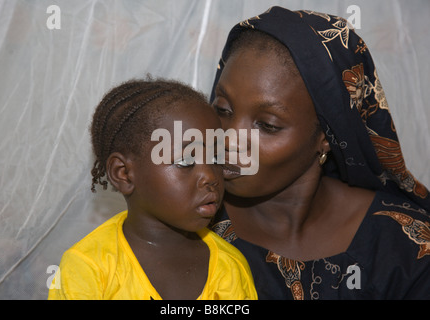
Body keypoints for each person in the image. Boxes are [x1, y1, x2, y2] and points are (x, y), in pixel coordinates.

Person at [209, 6, 430, 299]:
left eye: (268, 125)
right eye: (222, 110)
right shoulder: (186, 223)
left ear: (326, 137)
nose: (229, 139)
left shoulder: (404, 248)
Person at [48, 78, 257, 300]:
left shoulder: (231, 269)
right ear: (124, 173)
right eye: (186, 160)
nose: (210, 177)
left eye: (215, 157)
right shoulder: (88, 268)